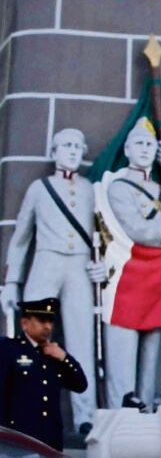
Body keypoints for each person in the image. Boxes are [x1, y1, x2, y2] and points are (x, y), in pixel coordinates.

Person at [1, 128, 104, 435]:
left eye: (77, 146)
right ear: (54, 152)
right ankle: (26, 410)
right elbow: (21, 238)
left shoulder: (90, 189)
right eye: (66, 145)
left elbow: (104, 234)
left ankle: (85, 416)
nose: (72, 150)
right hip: (46, 263)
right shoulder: (40, 188)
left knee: (82, 340)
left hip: (79, 267)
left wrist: (104, 267)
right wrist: (12, 282)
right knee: (33, 341)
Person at [102, 117, 161, 410]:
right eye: (138, 143)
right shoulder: (119, 187)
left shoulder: (158, 189)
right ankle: (120, 415)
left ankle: (147, 411)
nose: (144, 149)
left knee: (151, 360)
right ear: (127, 149)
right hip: (130, 277)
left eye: (150, 144)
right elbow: (138, 230)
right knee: (122, 361)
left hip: (159, 276)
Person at [0, 298, 88, 450]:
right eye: (41, 321)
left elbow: (80, 385)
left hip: (50, 441)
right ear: (24, 323)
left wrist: (64, 358)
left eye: (50, 321)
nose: (47, 326)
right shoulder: (9, 349)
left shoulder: (54, 354)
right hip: (19, 441)